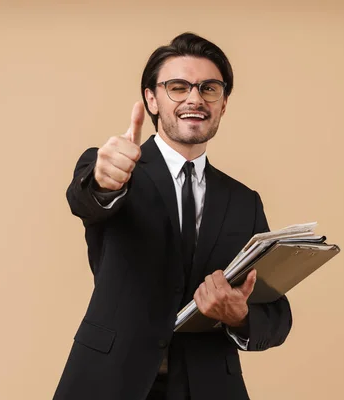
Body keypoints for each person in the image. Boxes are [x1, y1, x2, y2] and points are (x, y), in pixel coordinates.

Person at [53, 32, 292, 400]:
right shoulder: (112, 167)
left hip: (210, 386)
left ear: (223, 103)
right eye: (178, 87)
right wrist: (104, 181)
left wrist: (239, 315)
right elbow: (86, 197)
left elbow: (275, 316)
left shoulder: (245, 201)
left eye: (209, 88)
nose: (194, 98)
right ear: (152, 98)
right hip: (109, 382)